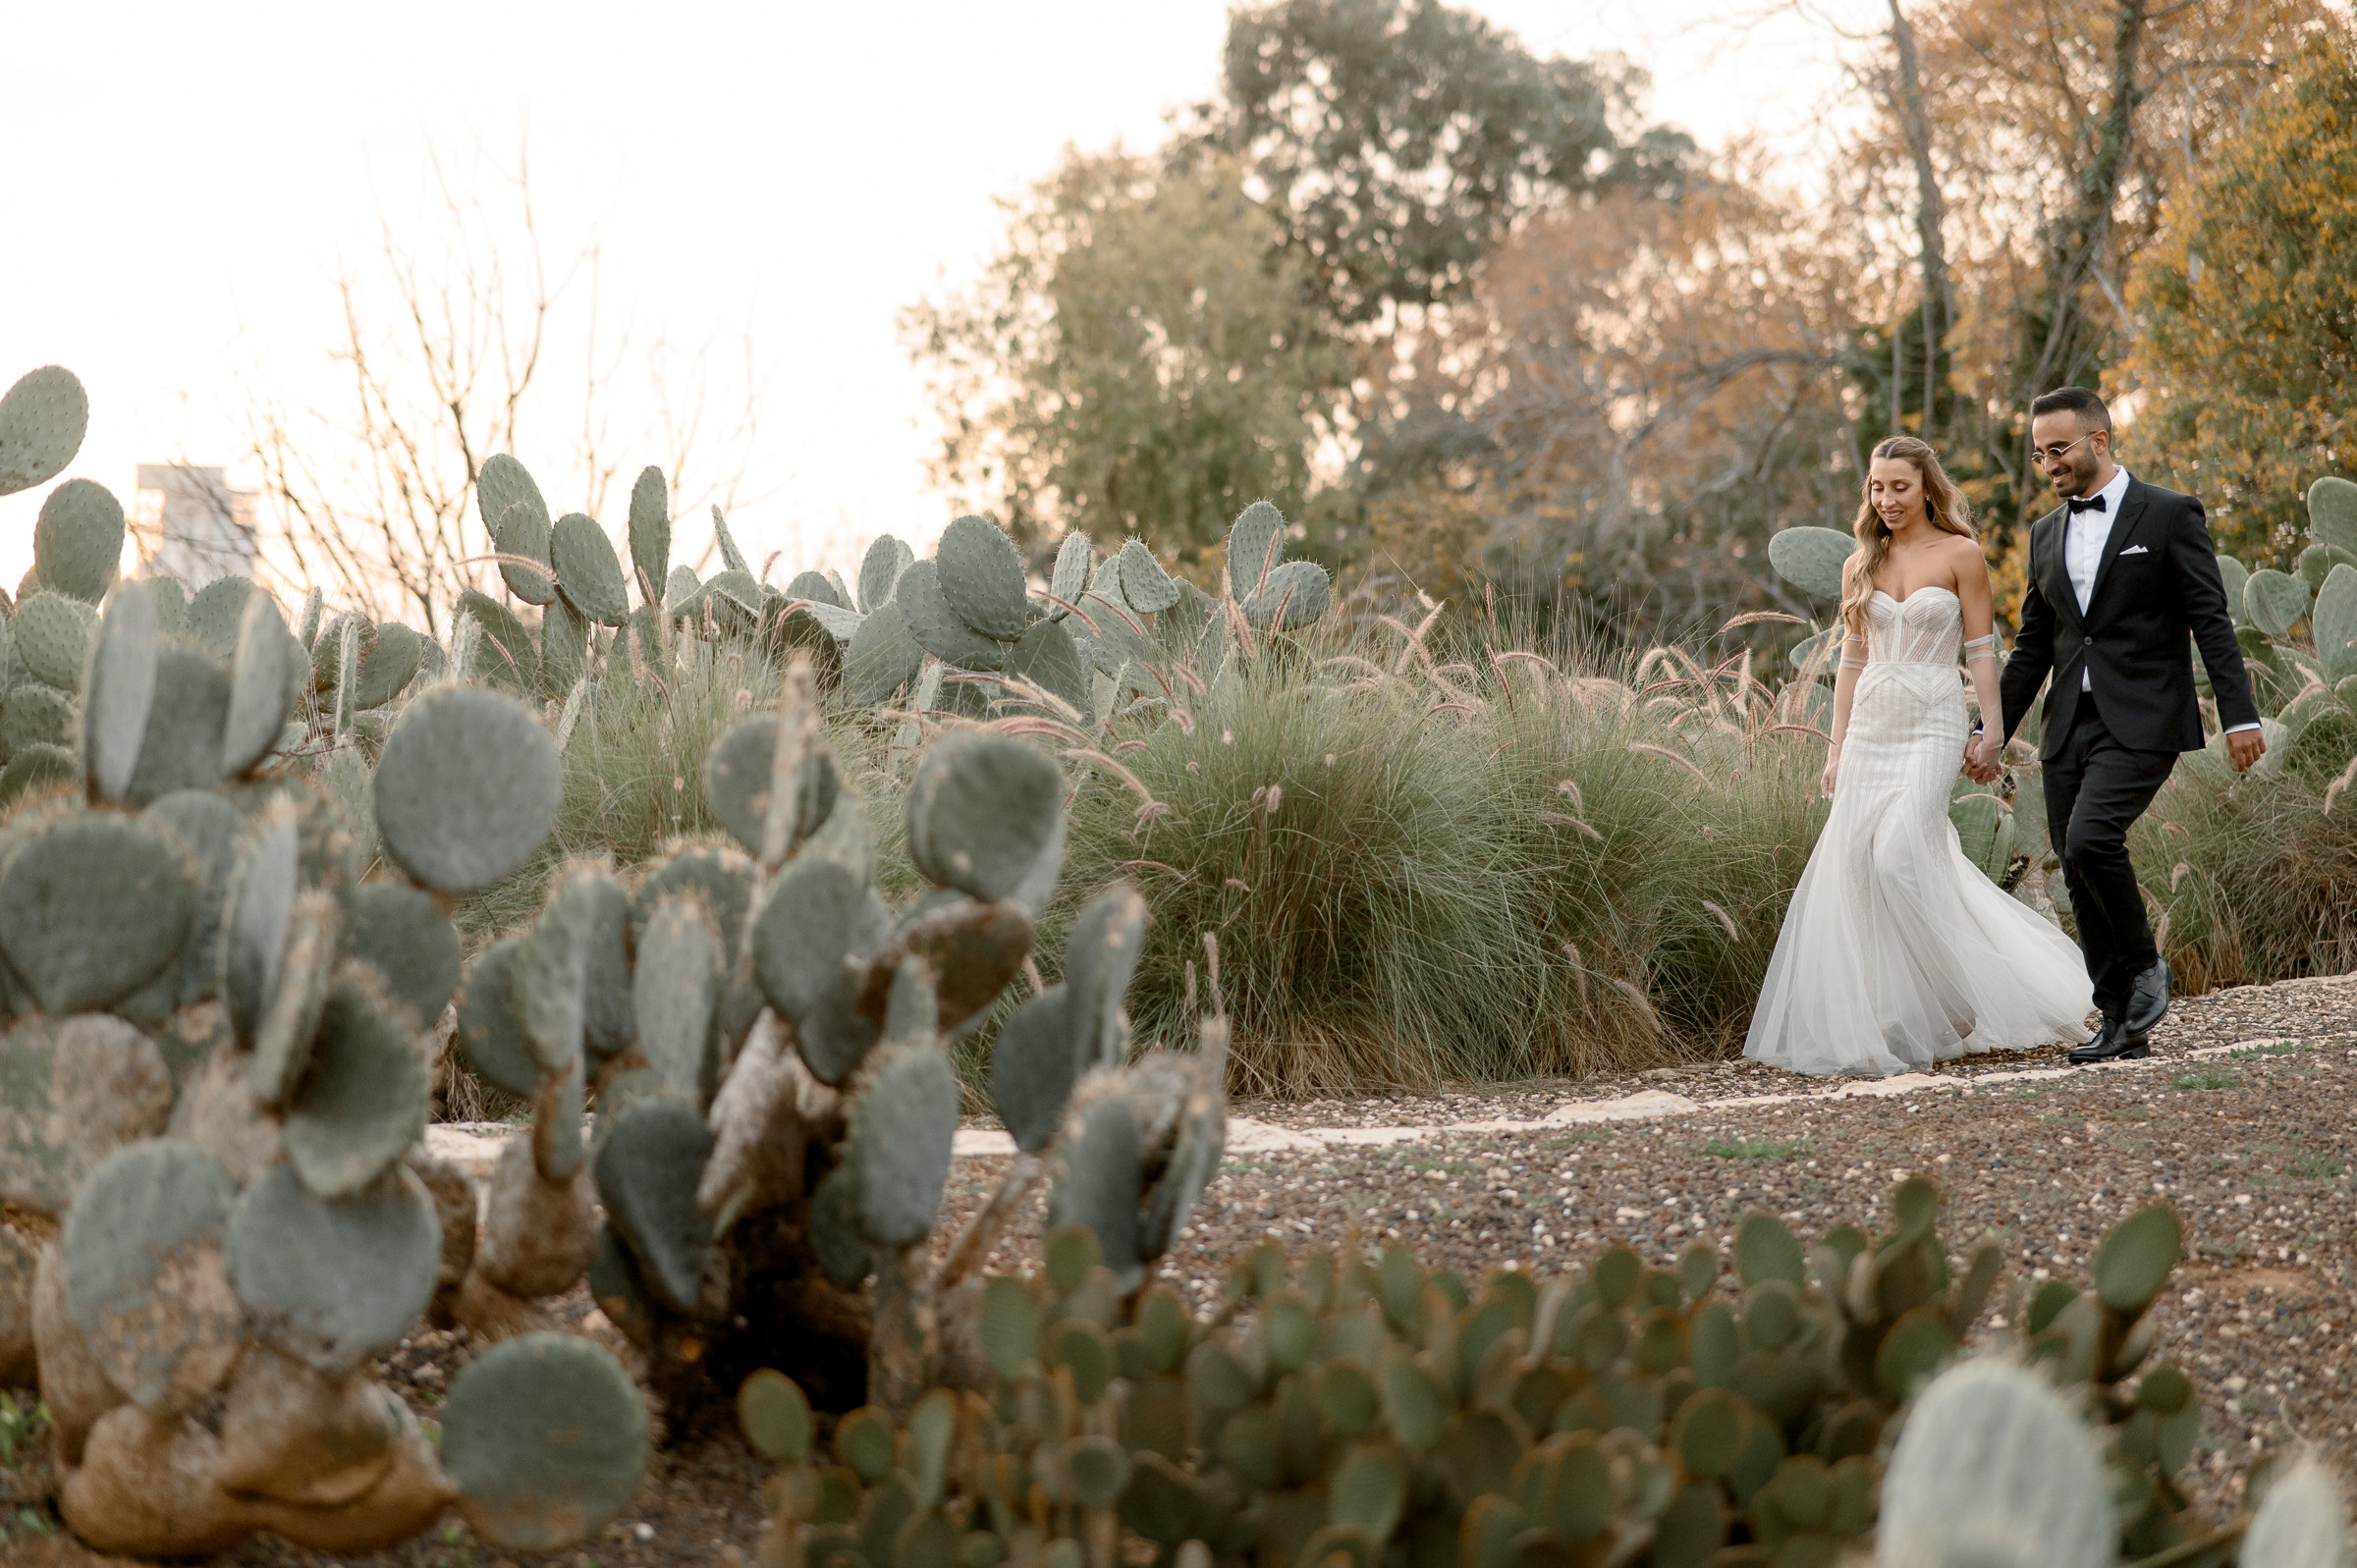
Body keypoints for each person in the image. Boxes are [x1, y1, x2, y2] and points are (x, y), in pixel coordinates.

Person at [1744, 436, 2096, 1077]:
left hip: (1933, 720)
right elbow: (1851, 662)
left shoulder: (1961, 554)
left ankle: (1961, 994)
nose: (1886, 499)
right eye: (1876, 488)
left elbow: (1983, 651)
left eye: (1898, 487)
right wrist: (1836, 748)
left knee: (1900, 851)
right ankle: (1892, 1009)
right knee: (1857, 863)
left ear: (1926, 487)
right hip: (1873, 723)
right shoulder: (1860, 564)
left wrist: (1991, 729)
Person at [1979, 387, 2263, 1063]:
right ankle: (2118, 1021)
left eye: (2058, 448)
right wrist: (1991, 728)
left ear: (2098, 441)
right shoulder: (2045, 534)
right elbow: (2031, 647)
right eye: (2037, 452)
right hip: (2066, 724)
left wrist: (2240, 714)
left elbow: (2211, 622)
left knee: (2091, 837)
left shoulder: (2167, 514)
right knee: (2075, 870)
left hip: (2145, 717)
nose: (2046, 463)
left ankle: (2144, 969)